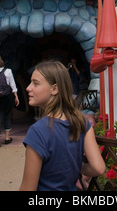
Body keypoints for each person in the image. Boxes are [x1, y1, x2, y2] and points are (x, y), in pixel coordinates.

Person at [19, 60, 105, 191]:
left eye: (35, 83)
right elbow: (98, 168)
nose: (28, 88)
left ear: (55, 89)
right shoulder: (82, 122)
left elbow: (27, 188)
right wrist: (79, 166)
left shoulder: (37, 131)